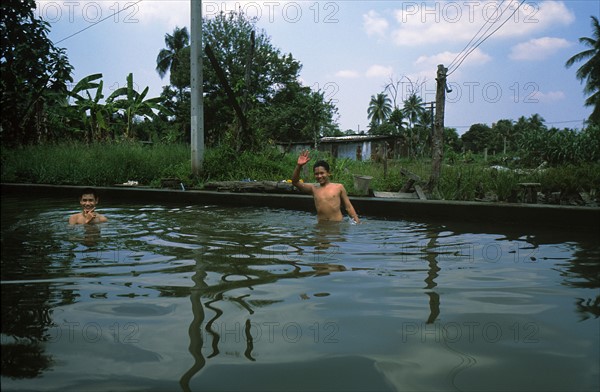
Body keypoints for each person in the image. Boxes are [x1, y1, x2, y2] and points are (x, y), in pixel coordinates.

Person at [292, 150, 360, 224]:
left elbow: (349, 207)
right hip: (321, 227)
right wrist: (299, 166)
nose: (319, 176)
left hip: (336, 226)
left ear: (328, 173)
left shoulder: (339, 187)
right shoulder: (313, 188)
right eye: (316, 174)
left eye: (322, 173)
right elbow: (295, 182)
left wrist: (357, 222)